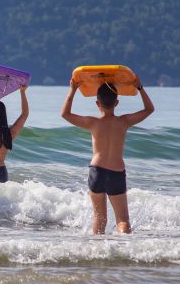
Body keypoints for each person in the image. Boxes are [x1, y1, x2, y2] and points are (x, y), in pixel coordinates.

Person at [60, 78, 154, 234]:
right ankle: (125, 249)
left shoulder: (92, 122)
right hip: (116, 172)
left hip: (96, 171)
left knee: (99, 217)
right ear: (116, 103)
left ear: (97, 103)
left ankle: (97, 252)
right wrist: (140, 88)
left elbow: (65, 114)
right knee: (122, 219)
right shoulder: (124, 121)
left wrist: (73, 89)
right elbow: (149, 109)